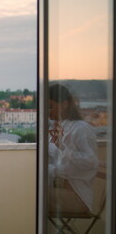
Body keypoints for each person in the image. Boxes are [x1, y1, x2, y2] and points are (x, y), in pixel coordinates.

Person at [48, 83, 99, 213]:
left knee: (32, 193)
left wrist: (63, 148)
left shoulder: (81, 129)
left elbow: (90, 162)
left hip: (78, 197)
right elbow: (60, 159)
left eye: (50, 106)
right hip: (64, 190)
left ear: (64, 104)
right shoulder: (63, 126)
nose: (47, 111)